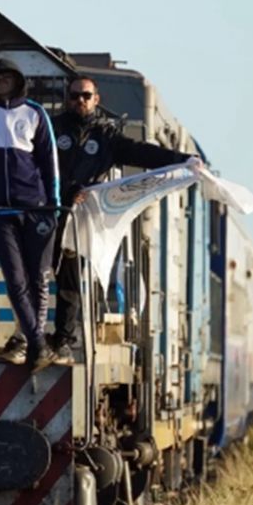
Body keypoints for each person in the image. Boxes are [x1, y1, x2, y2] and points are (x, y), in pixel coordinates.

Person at [48, 76, 198, 361]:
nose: (80, 100)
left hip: (82, 219)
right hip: (50, 213)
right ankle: (28, 338)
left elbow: (143, 153)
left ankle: (62, 339)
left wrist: (182, 160)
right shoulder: (52, 130)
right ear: (67, 99)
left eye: (86, 95)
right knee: (37, 277)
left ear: (96, 99)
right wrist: (66, 190)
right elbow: (39, 166)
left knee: (70, 281)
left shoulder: (107, 137)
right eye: (75, 95)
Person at [0, 59, 60, 372]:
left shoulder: (34, 112)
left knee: (38, 278)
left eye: (8, 77)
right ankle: (39, 343)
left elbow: (49, 159)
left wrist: (53, 204)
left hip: (35, 206)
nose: (3, 81)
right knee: (15, 280)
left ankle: (32, 342)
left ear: (17, 81)